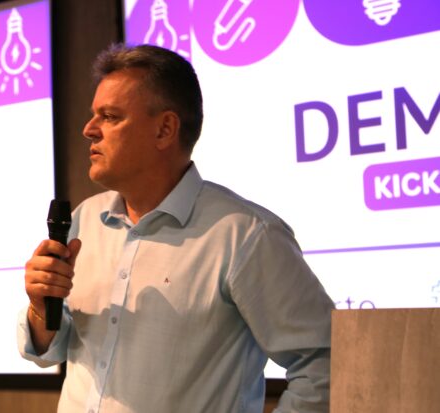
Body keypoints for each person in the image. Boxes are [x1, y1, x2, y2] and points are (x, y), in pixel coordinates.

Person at [18, 44, 333, 413]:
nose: (89, 130)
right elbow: (51, 350)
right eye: (93, 116)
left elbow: (324, 363)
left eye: (110, 116)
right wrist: (40, 309)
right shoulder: (85, 220)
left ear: (165, 129)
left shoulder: (244, 235)